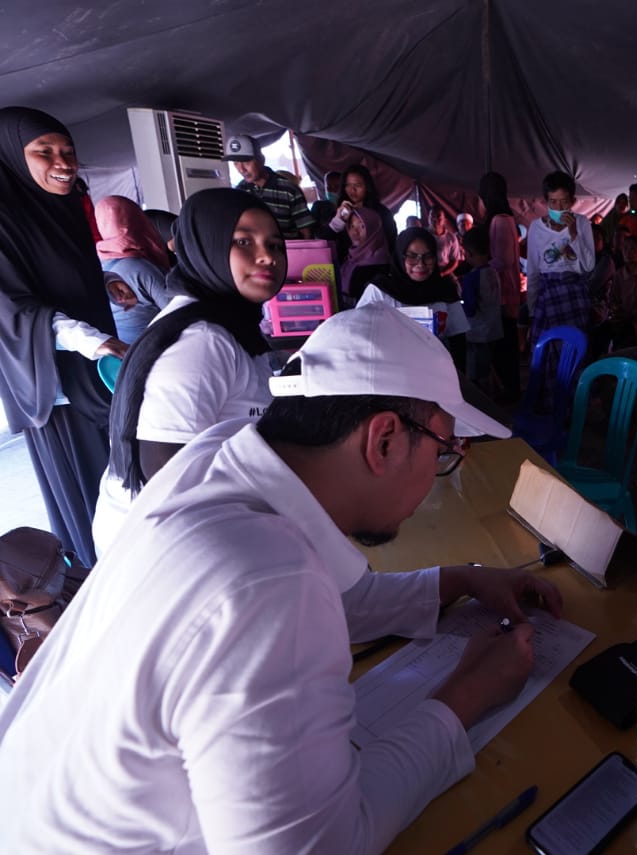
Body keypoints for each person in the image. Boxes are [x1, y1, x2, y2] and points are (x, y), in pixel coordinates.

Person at [0, 303, 561, 852]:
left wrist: (458, 579)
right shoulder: (266, 584)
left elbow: (335, 602)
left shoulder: (213, 457)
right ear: (384, 440)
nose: (439, 475)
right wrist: (467, 696)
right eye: (443, 451)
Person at [92, 188, 285, 555]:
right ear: (206, 245)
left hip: (199, 530)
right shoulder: (200, 341)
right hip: (164, 554)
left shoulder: (228, 321)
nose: (266, 256)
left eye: (275, 245)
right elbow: (168, 480)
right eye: (243, 241)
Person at [0, 106, 127, 564]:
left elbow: (60, 273)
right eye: (44, 152)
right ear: (13, 157)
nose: (64, 162)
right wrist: (93, 340)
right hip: (55, 388)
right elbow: (12, 308)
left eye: (69, 151)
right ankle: (106, 586)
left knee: (121, 483)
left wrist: (103, 281)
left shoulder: (60, 206)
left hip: (95, 373)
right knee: (92, 497)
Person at [359, 228, 470, 371]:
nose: (421, 264)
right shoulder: (380, 291)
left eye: (428, 256)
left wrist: (458, 377)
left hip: (435, 372)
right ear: (400, 257)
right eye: (412, 256)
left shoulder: (445, 291)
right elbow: (360, 332)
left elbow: (457, 339)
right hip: (390, 371)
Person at [526, 170, 595, 347]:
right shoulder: (536, 227)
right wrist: (532, 307)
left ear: (572, 201)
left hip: (575, 294)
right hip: (548, 294)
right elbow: (533, 270)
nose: (558, 208)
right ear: (546, 202)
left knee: (574, 349)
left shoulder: (582, 222)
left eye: (563, 202)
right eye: (553, 202)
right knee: (549, 350)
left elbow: (588, 265)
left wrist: (573, 234)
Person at [94, 194, 175, 344]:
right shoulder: (139, 268)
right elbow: (180, 313)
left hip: (123, 357)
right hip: (155, 352)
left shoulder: (100, 264)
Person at [478, 171, 522, 400]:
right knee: (504, 344)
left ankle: (511, 390)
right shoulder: (504, 218)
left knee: (504, 345)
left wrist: (480, 268)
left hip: (504, 294)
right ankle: (508, 388)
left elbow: (503, 260)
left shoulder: (501, 220)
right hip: (503, 292)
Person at [224, 134, 314, 240]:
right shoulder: (239, 193)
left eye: (246, 162)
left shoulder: (289, 190)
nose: (241, 169)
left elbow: (306, 231)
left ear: (261, 160)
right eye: (236, 163)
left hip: (286, 253)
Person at [460, 226, 503, 392]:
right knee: (488, 365)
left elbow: (469, 308)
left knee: (477, 372)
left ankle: (484, 403)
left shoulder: (471, 278)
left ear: (469, 252)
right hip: (494, 328)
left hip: (477, 332)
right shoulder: (493, 272)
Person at [336, 164, 398, 256]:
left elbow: (391, 240)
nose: (352, 190)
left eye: (357, 185)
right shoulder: (342, 212)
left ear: (367, 186)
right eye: (348, 185)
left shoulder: (381, 212)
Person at [336, 206, 391, 305]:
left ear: (374, 229)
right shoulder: (350, 257)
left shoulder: (380, 265)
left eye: (362, 226)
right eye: (351, 226)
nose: (354, 232)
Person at [428, 205, 462, 280]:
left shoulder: (451, 238)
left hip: (444, 272)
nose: (435, 219)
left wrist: (442, 273)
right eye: (432, 216)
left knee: (456, 288)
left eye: (438, 216)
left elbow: (455, 261)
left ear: (444, 220)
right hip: (426, 271)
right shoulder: (422, 235)